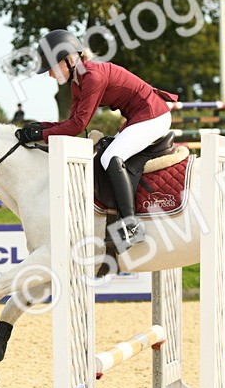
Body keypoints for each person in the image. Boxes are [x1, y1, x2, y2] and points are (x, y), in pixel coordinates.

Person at [15, 29, 177, 249]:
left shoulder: (92, 76)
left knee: (111, 157)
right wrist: (39, 127)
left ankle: (131, 225)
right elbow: (72, 121)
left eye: (52, 67)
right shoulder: (78, 80)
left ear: (69, 59)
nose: (50, 75)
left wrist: (40, 135)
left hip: (153, 116)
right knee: (106, 153)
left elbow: (78, 126)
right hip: (140, 117)